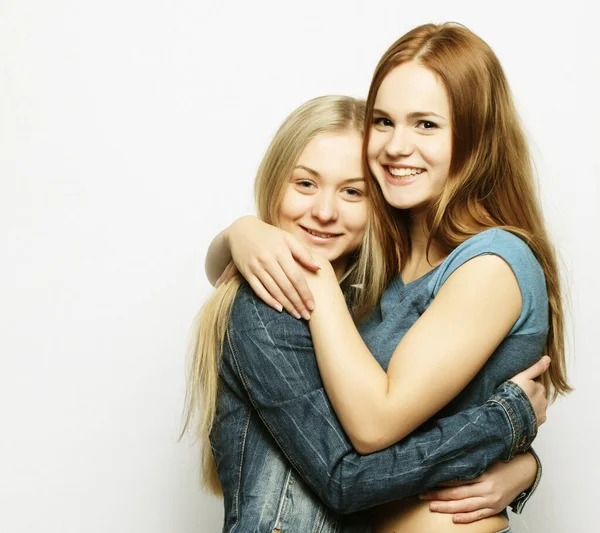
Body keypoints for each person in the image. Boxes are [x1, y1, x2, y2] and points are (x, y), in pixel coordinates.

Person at [204, 23, 571, 533]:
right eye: (384, 121)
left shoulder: (491, 263)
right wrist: (238, 234)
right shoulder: (378, 266)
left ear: (475, 134)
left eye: (426, 125)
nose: (398, 146)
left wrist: (520, 453)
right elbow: (345, 450)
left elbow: (375, 424)